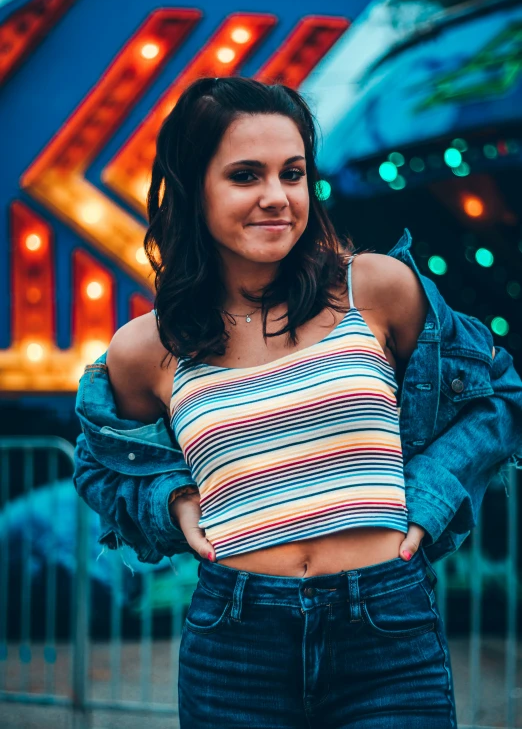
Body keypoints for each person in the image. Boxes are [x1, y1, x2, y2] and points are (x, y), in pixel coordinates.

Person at [101, 75, 464, 727]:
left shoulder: (376, 287)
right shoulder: (144, 349)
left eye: (291, 173)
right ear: (194, 190)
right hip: (235, 643)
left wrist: (430, 497)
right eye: (245, 175)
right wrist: (173, 499)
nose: (276, 197)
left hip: (387, 631)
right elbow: (104, 463)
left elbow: (496, 395)